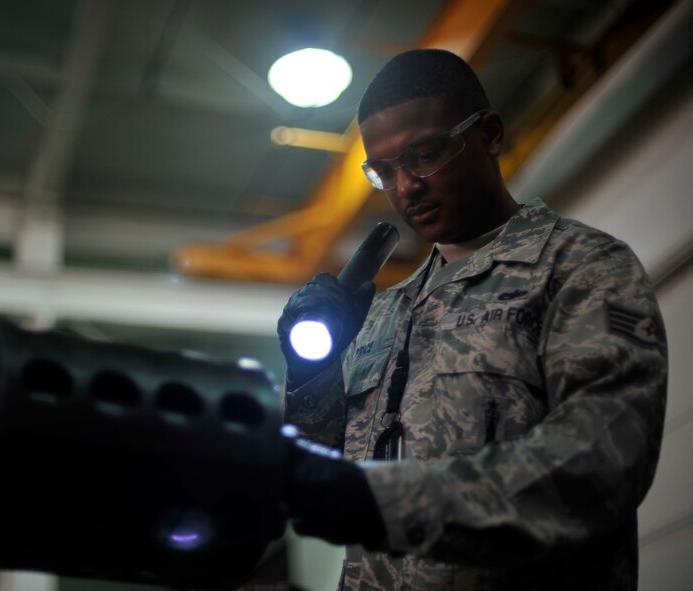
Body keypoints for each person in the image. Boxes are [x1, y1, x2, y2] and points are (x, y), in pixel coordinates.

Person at [278, 49, 667, 590]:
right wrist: (308, 371)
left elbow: (602, 465)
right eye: (384, 170)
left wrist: (387, 501)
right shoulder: (387, 309)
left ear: (488, 134)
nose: (406, 186)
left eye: (425, 154)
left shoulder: (577, 267)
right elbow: (319, 470)